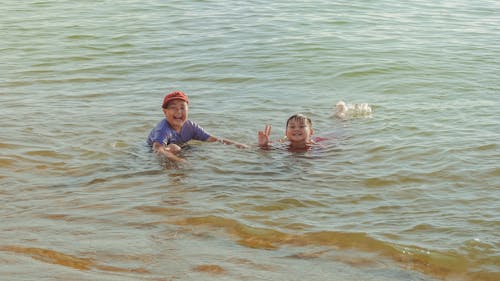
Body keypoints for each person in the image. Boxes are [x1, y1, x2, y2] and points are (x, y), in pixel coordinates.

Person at [148, 91, 247, 162]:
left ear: (188, 110)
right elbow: (158, 149)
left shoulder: (190, 126)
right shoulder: (162, 129)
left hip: (181, 147)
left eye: (182, 108)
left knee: (207, 151)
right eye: (173, 108)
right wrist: (180, 161)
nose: (178, 111)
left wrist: (241, 146)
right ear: (165, 112)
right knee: (175, 148)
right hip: (151, 152)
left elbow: (214, 140)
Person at [258, 113, 326, 151]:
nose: (296, 129)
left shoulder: (316, 147)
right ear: (286, 133)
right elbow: (265, 149)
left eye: (301, 126)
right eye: (292, 127)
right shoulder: (282, 144)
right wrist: (263, 145)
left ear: (311, 132)